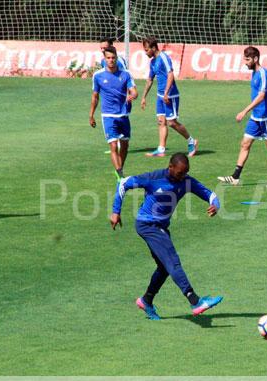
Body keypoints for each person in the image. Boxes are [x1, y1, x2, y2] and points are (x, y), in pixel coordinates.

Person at [110, 153, 223, 320]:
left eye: (185, 173)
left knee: (164, 268)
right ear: (170, 167)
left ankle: (146, 300)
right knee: (172, 261)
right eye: (179, 173)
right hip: (147, 225)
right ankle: (195, 301)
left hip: (160, 227)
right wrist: (115, 211)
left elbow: (210, 194)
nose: (182, 177)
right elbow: (123, 183)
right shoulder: (153, 178)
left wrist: (215, 205)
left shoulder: (186, 181)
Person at [217, 46, 267, 188]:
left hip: (265, 117)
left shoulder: (264, 74)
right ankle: (235, 177)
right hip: (255, 117)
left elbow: (262, 96)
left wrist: (244, 111)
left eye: (247, 59)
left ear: (255, 59)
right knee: (245, 144)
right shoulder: (254, 73)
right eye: (244, 59)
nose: (245, 62)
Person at [140, 37, 198, 158]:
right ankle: (161, 149)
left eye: (146, 50)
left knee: (171, 123)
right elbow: (150, 79)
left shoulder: (163, 58)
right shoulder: (152, 62)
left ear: (153, 48)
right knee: (161, 122)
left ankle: (191, 141)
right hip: (160, 96)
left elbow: (170, 74)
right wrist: (144, 97)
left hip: (170, 95)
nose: (145, 53)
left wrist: (166, 93)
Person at [89, 46, 137, 182]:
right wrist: (91, 115)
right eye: (108, 58)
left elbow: (134, 91)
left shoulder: (125, 74)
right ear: (104, 59)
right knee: (113, 145)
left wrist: (132, 95)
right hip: (108, 116)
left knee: (125, 145)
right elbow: (95, 96)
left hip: (123, 115)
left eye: (113, 58)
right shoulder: (98, 76)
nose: (111, 60)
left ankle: (119, 168)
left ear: (117, 58)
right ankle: (120, 176)